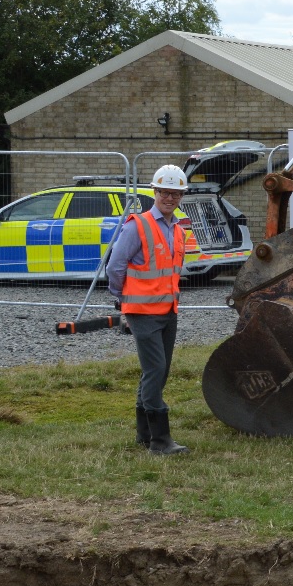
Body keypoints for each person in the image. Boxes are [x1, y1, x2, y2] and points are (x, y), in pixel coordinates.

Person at [107, 164, 192, 456]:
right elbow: (115, 265)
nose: (170, 198)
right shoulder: (138, 225)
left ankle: (144, 434)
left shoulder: (178, 229)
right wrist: (122, 297)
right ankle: (160, 440)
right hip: (142, 312)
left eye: (176, 193)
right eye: (165, 192)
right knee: (155, 369)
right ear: (155, 192)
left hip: (168, 310)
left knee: (159, 370)